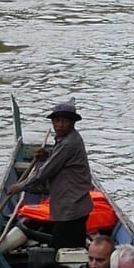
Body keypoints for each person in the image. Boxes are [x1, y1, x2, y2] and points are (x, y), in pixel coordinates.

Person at [25, 102, 94, 252]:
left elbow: (44, 173)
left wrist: (21, 186)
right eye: (57, 121)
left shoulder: (68, 143)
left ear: (73, 123)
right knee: (69, 244)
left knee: (63, 247)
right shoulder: (65, 140)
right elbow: (60, 161)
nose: (60, 125)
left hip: (71, 207)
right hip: (72, 204)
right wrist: (47, 155)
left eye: (65, 121)